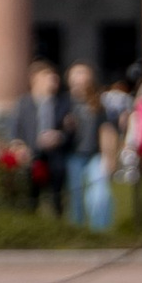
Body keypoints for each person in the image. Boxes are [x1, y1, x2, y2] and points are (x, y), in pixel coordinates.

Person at [9, 58, 69, 215]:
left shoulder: (62, 103)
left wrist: (59, 137)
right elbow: (16, 129)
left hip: (54, 157)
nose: (53, 81)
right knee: (30, 197)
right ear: (35, 78)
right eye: (48, 76)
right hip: (31, 156)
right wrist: (18, 146)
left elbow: (69, 129)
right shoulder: (24, 103)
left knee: (56, 198)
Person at [61, 60, 106, 233]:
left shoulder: (97, 101)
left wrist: (108, 155)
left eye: (83, 73)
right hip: (73, 154)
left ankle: (100, 231)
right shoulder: (64, 102)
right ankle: (77, 231)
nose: (80, 77)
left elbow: (106, 128)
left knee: (100, 195)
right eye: (76, 73)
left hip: (95, 155)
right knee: (76, 196)